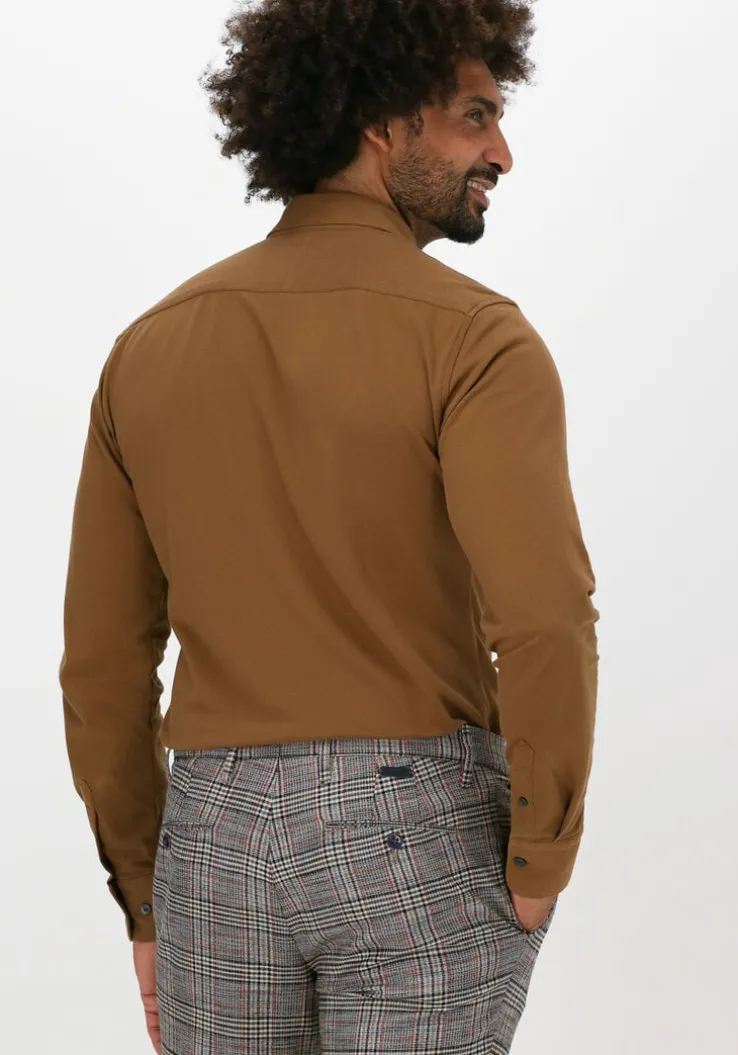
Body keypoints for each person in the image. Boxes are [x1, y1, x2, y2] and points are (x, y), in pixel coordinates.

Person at [59, 1, 600, 1052]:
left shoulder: (150, 348)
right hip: (419, 830)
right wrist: (543, 854)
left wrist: (147, 893)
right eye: (475, 115)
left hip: (212, 842)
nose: (502, 152)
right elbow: (544, 618)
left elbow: (101, 664)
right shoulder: (476, 339)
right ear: (381, 122)